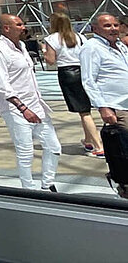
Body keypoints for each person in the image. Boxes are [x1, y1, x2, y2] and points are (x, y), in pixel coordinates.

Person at [0, 14, 61, 191]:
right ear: (6, 28)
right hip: (15, 108)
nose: (23, 27)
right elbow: (3, 86)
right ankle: (28, 188)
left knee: (54, 146)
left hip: (36, 104)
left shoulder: (22, 46)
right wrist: (23, 108)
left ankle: (48, 184)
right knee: (25, 151)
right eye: (18, 25)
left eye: (22, 24)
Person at [79, 13, 128, 198]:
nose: (113, 28)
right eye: (107, 26)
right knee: (123, 150)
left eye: (115, 25)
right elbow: (88, 80)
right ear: (95, 29)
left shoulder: (120, 46)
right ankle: (124, 187)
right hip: (116, 107)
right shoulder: (92, 47)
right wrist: (103, 107)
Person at [44, 12, 101, 156]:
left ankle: (98, 146)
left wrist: (44, 51)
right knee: (85, 108)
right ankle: (88, 140)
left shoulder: (52, 38)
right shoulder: (80, 37)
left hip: (67, 72)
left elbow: (51, 60)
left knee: (84, 111)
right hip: (83, 70)